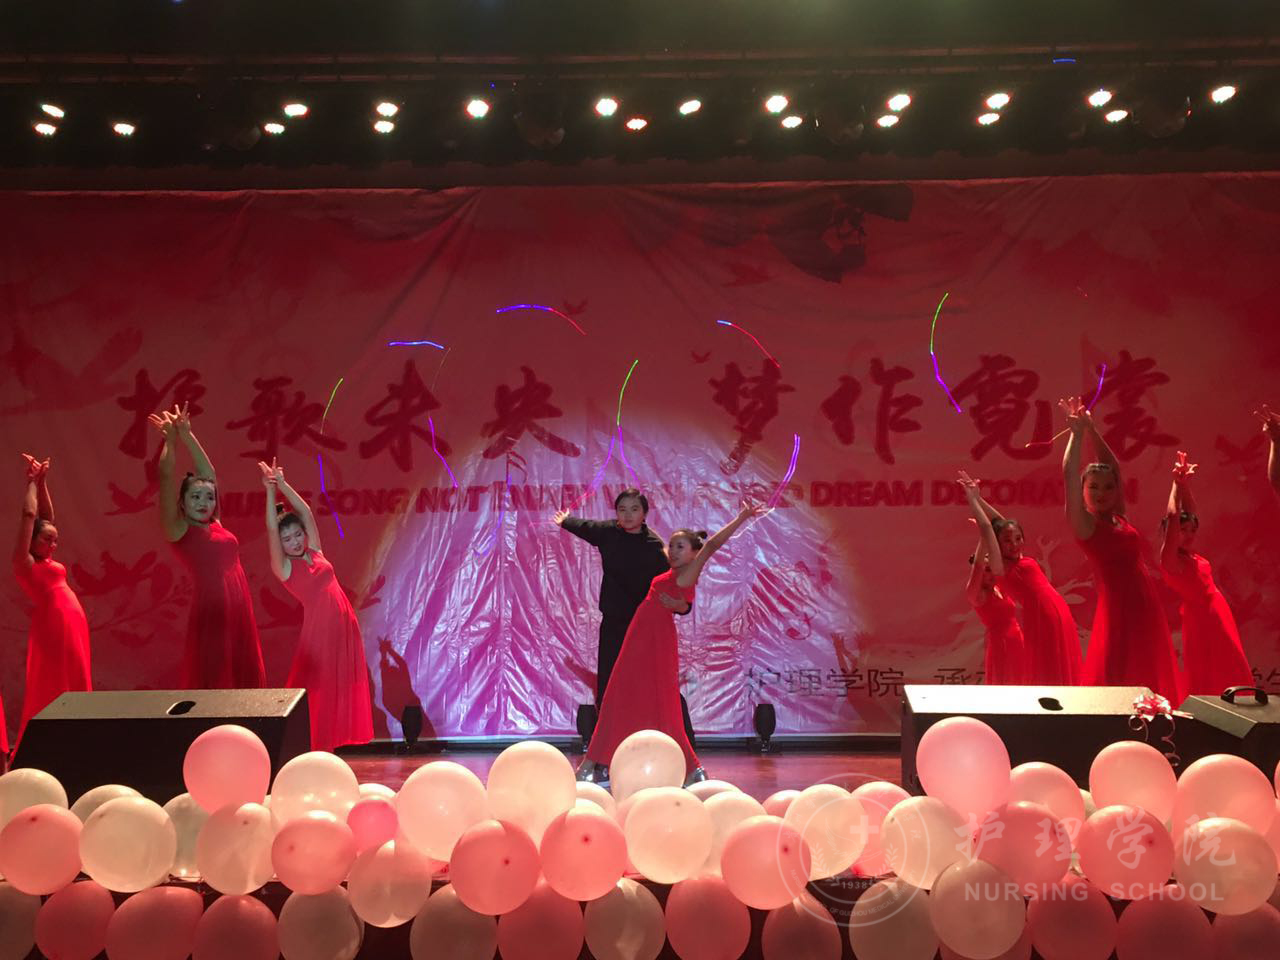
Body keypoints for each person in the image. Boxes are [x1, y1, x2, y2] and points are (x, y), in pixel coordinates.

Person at [585, 500, 770, 785]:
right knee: (618, 696)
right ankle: (603, 761)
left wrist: (743, 516)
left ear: (694, 553)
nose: (672, 551)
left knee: (659, 702)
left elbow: (712, 545)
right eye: (671, 546)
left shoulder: (687, 573)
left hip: (654, 640)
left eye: (680, 547)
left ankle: (689, 767)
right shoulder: (671, 571)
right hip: (637, 638)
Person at [554, 488, 696, 779]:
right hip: (615, 625)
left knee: (657, 689)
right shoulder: (608, 533)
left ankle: (683, 753)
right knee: (609, 690)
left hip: (646, 628)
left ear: (644, 514)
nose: (628, 515)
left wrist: (682, 607)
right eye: (622, 509)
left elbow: (677, 584)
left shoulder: (655, 546)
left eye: (634, 509)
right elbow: (584, 527)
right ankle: (604, 758)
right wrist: (565, 520)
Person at [1061, 397, 1181, 701]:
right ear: (1083, 490)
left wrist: (1092, 429)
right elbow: (1069, 474)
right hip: (1118, 611)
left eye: (1108, 487)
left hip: (1145, 607)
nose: (1101, 493)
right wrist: (1077, 435)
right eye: (1093, 487)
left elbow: (1113, 467)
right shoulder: (1086, 525)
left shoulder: (1119, 516)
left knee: (1148, 676)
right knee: (1118, 677)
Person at [259, 459, 373, 751]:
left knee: (339, 688)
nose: (295, 542)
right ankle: (308, 744)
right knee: (317, 689)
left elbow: (306, 512)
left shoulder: (315, 551)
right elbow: (271, 528)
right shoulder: (284, 568)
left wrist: (283, 484)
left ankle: (330, 744)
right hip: (320, 633)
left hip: (343, 627)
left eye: (298, 535)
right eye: (287, 539)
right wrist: (270, 491)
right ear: (281, 545)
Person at [150, 403, 264, 688]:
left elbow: (208, 472)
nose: (204, 503)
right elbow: (165, 475)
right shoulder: (179, 529)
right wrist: (171, 440)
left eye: (209, 497)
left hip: (239, 606)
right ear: (182, 502)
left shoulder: (216, 523)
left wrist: (187, 434)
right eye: (196, 497)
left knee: (243, 677)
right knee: (217, 675)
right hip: (213, 611)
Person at [959, 471, 1081, 684]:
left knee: (1063, 660)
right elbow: (988, 527)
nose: (1014, 544)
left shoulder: (1018, 559)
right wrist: (972, 501)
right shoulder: (1000, 567)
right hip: (1042, 615)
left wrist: (980, 498)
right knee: (1049, 666)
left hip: (1058, 608)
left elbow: (1000, 523)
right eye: (1007, 541)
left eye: (1018, 538)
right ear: (998, 544)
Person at [12, 454, 91, 747]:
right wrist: (31, 483)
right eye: (47, 540)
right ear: (31, 540)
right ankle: (48, 744)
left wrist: (43, 481)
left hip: (72, 625)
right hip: (53, 627)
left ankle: (78, 740)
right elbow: (29, 516)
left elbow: (46, 518)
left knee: (74, 678)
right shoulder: (24, 563)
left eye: (55, 540)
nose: (53, 544)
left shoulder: (46, 560)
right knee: (55, 682)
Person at [1159, 452, 1252, 695]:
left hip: (1218, 616)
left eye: (1192, 530)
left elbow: (1190, 511)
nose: (1189, 534)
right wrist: (1175, 484)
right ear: (1171, 532)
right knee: (1210, 674)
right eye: (1183, 530)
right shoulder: (1171, 560)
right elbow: (1173, 516)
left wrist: (1184, 484)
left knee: (1231, 667)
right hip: (1202, 622)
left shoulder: (1190, 556)